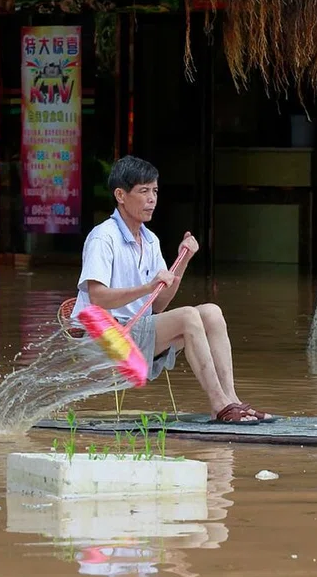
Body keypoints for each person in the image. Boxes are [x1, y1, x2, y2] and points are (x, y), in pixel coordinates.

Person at [70, 155, 274, 424]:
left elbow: (159, 304)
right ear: (120, 195)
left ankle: (230, 400)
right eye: (143, 191)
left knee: (211, 312)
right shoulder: (102, 237)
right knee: (188, 316)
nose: (152, 199)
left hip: (136, 332)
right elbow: (97, 297)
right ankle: (220, 405)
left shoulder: (150, 240)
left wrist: (183, 259)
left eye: (155, 191)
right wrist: (146, 286)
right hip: (105, 338)